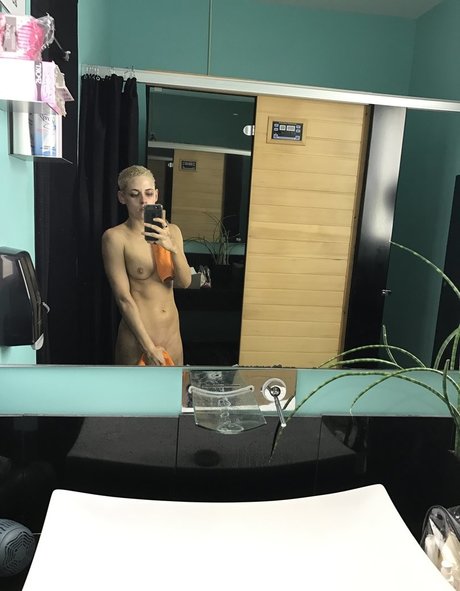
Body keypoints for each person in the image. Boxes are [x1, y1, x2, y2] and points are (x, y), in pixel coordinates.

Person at [102, 165, 191, 366]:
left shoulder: (172, 231)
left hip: (172, 337)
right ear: (122, 197)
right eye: (135, 195)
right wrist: (148, 347)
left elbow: (184, 283)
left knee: (174, 387)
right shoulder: (115, 238)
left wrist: (173, 248)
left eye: (149, 193)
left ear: (156, 195)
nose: (143, 201)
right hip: (137, 341)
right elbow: (123, 299)